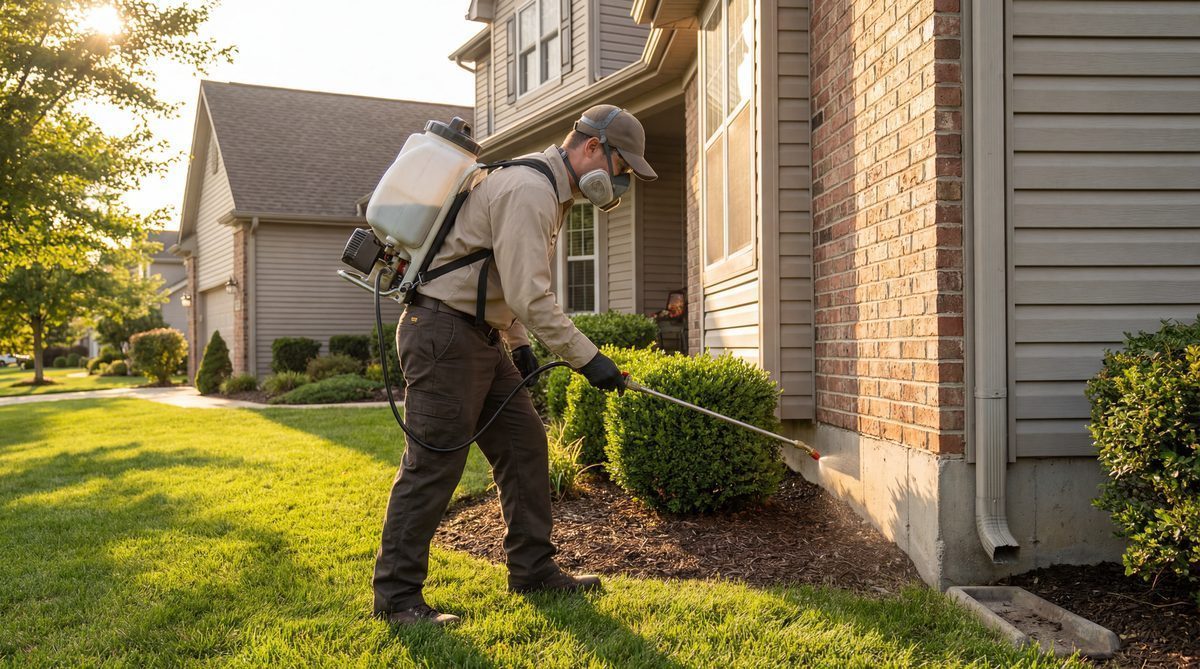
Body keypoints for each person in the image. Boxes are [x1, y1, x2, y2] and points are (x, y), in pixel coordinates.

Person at [372, 105, 658, 626]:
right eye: (621, 167)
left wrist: (519, 344)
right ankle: (396, 599)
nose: (620, 181)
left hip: (476, 337)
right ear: (592, 148)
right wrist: (590, 361)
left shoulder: (544, 187)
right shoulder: (531, 190)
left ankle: (532, 570)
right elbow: (530, 294)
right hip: (444, 337)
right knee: (432, 465)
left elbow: (498, 279)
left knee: (525, 445)